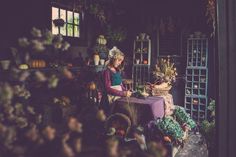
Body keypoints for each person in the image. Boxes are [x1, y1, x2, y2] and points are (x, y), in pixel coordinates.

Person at [100, 47, 132, 115]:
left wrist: (126, 91)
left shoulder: (117, 71)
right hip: (109, 98)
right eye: (119, 60)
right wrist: (123, 93)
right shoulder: (107, 71)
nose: (120, 63)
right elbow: (108, 89)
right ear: (113, 58)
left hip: (118, 96)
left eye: (121, 61)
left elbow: (120, 85)